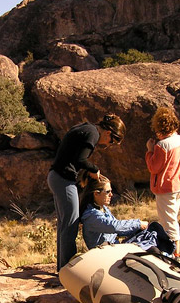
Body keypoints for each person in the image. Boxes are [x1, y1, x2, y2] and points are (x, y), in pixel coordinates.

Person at [47, 114, 126, 271]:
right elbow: (80, 159)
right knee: (71, 224)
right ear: (109, 133)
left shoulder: (87, 128)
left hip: (56, 177)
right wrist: (94, 169)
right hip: (63, 179)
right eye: (111, 142)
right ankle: (68, 270)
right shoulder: (93, 134)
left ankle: (62, 268)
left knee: (64, 224)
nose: (108, 145)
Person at [80, 174, 175, 254]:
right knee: (152, 250)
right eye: (108, 192)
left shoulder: (103, 209)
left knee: (153, 232)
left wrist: (138, 229)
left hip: (114, 247)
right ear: (96, 194)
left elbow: (119, 230)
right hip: (105, 253)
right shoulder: (91, 216)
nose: (111, 195)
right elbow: (115, 227)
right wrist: (138, 224)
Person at [145, 107, 180, 260]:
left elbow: (154, 167)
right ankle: (174, 251)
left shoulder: (162, 146)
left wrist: (150, 150)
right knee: (172, 218)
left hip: (165, 187)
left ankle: (175, 253)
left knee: (168, 221)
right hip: (178, 184)